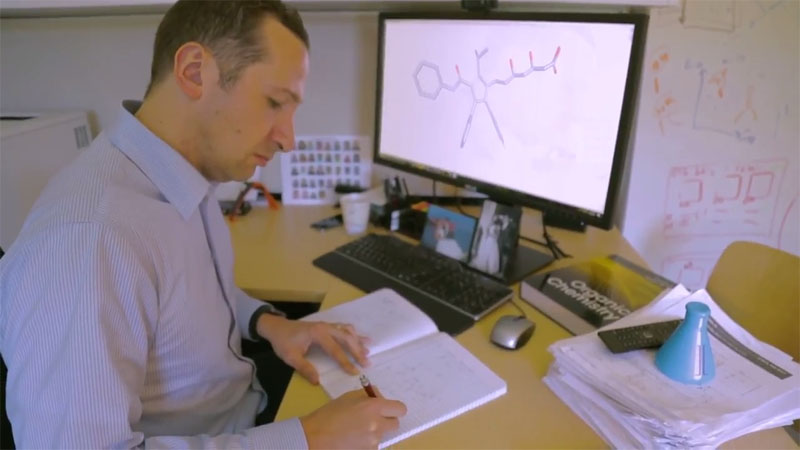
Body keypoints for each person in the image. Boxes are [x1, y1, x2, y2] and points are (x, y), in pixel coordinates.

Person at [0, 1, 406, 448]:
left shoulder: (183, 172)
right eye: (275, 102)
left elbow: (182, 294)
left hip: (240, 402)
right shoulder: (89, 242)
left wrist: (268, 323)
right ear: (194, 72)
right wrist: (309, 439)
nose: (288, 139)